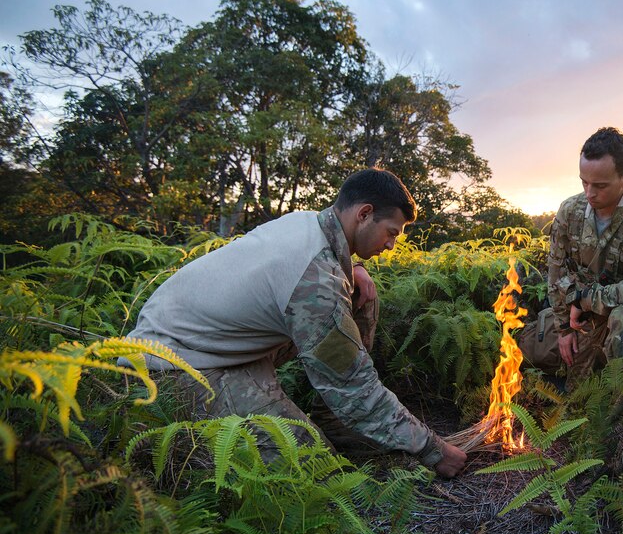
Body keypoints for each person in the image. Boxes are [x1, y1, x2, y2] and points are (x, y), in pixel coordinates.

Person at [128, 169, 467, 477]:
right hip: (175, 367)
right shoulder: (315, 280)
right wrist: (433, 450)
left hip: (216, 342)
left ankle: (337, 424)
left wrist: (354, 270)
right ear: (364, 214)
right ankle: (328, 423)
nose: (392, 245)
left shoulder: (309, 224)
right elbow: (355, 388)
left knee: (363, 295)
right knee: (315, 466)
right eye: (391, 232)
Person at [520, 127, 623, 384]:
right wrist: (563, 329)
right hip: (578, 319)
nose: (589, 193)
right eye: (584, 182)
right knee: (528, 351)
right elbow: (555, 274)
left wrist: (584, 300)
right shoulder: (570, 211)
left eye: (600, 185)